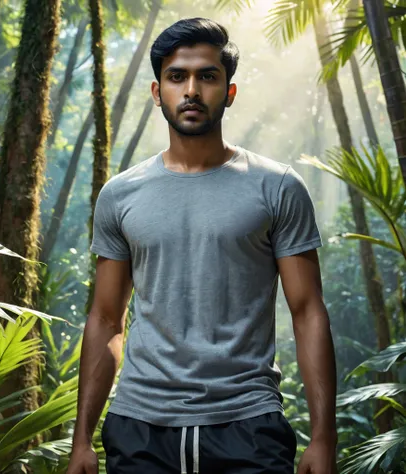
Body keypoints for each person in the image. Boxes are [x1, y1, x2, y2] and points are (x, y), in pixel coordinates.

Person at [67, 17, 337, 474]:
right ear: (158, 93)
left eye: (207, 76)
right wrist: (81, 442)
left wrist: (323, 440)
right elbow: (106, 317)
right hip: (140, 427)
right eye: (177, 77)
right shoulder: (120, 194)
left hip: (248, 424)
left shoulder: (277, 187)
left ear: (228, 92)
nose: (191, 90)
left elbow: (308, 310)